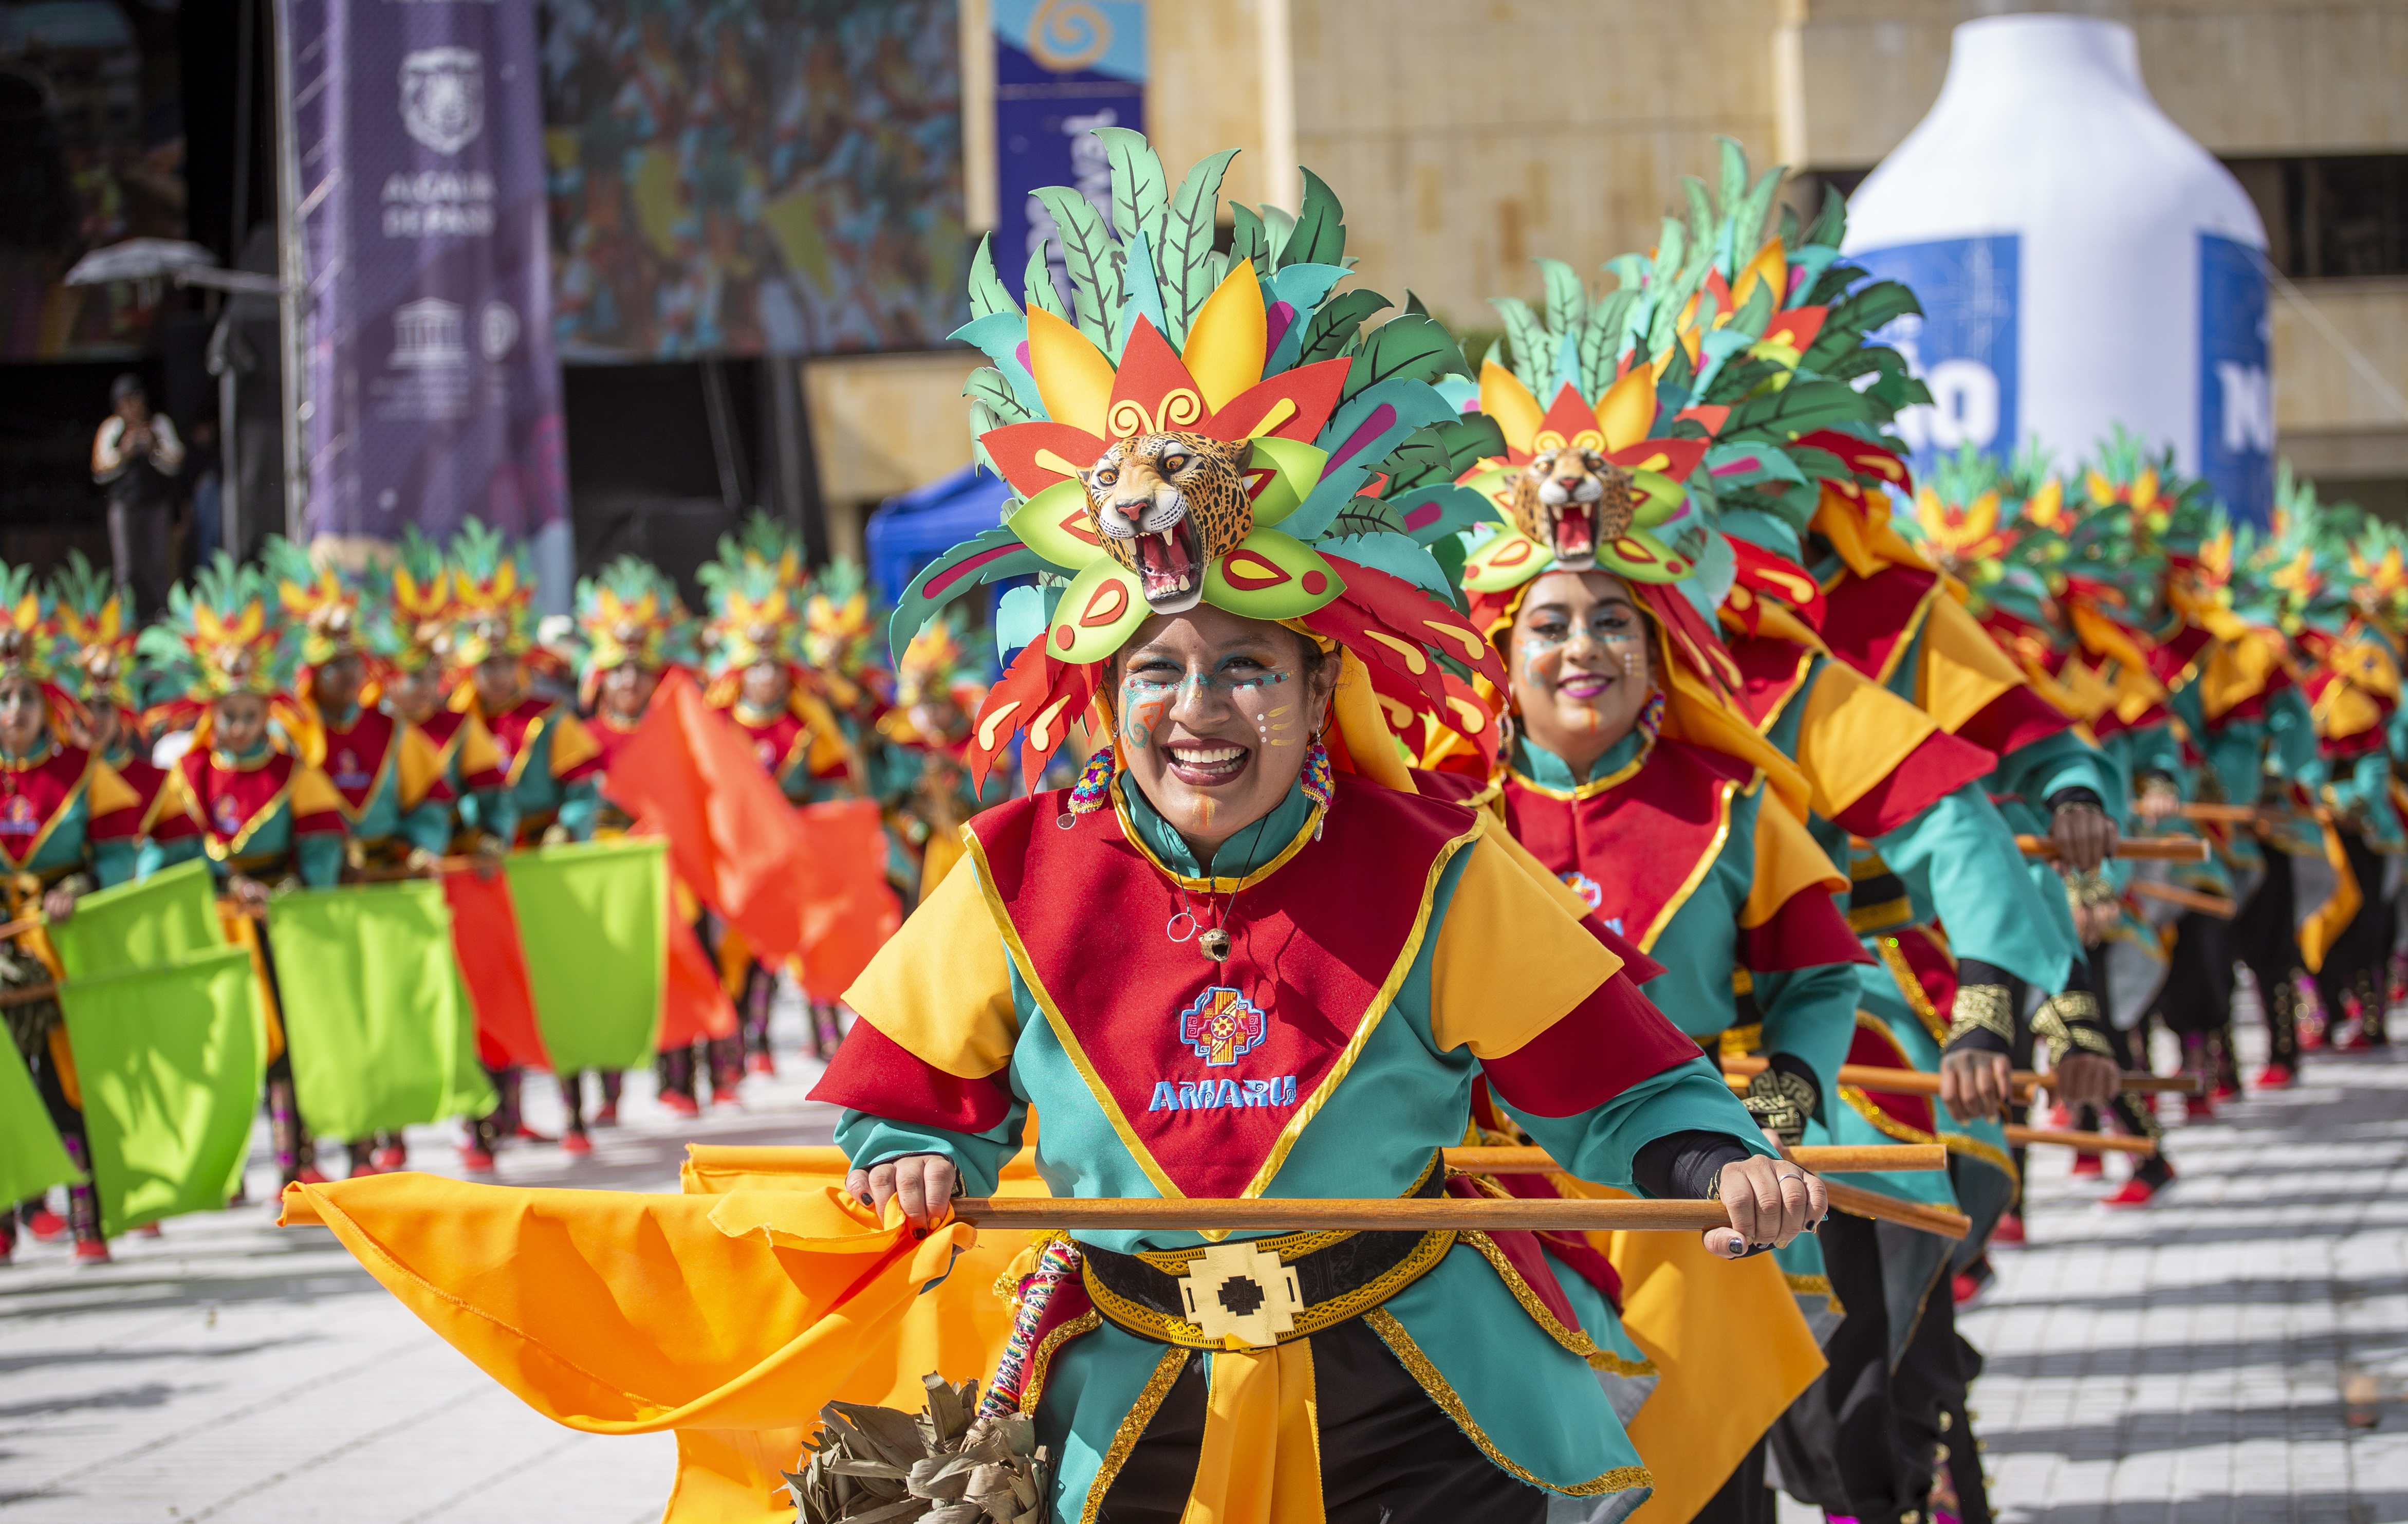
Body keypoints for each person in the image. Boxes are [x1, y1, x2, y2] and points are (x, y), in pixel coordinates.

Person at [818, 139, 1830, 1520]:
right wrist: (910, 1156)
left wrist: (1718, 1160)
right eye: (1156, 672)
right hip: (1127, 1394)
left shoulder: (1432, 867)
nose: (1198, 708)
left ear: (1315, 691)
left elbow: (1617, 1087)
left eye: (1246, 668)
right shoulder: (1008, 871)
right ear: (1101, 698)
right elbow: (900, 1095)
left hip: (1411, 1389)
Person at [136, 555, 347, 1189]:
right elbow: (165, 855)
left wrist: (286, 891)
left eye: (250, 714)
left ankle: (296, 1163)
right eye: (227, 714)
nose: (238, 727)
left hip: (277, 925)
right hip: (213, 926)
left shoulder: (295, 773)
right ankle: (223, 1175)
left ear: (269, 713)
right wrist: (214, 886)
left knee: (287, 1042)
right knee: (218, 1049)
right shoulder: (187, 774)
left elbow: (321, 851)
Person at [266, 536, 457, 1175]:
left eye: (355, 664)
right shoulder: (289, 733)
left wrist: (423, 846)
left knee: (381, 1012)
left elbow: (430, 800)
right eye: (333, 666)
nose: (347, 677)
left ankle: (374, 1143)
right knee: (311, 1026)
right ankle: (300, 1157)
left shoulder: (390, 731)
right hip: (308, 900)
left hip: (378, 886)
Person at [0, 570, 145, 1266]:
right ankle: (6, 1221)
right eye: (3, 698)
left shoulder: (82, 770)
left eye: (27, 696)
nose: (15, 710)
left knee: (66, 1082)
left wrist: (81, 886)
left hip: (65, 945)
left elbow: (119, 856)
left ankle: (90, 1221)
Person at [446, 519, 605, 1150]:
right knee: (485, 995)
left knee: (556, 988)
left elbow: (585, 786)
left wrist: (567, 831)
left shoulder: (548, 716)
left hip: (540, 870)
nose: (498, 675)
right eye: (486, 664)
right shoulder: (453, 725)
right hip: (480, 876)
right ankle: (488, 1123)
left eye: (507, 661)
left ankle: (574, 1116)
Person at [698, 515, 861, 1064]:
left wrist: (816, 816)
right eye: (755, 664)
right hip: (741, 855)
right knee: (743, 949)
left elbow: (836, 781)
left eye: (774, 663)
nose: (765, 675)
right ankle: (747, 1043)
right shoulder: (718, 721)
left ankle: (827, 1037)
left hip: (797, 849)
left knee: (814, 938)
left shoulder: (806, 719)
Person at [568, 554, 711, 1111]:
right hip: (609, 870)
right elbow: (572, 804)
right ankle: (609, 1088)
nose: (629, 681)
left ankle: (681, 1081)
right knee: (610, 977)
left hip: (670, 869)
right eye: (618, 670)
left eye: (639, 671)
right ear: (598, 677)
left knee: (677, 970)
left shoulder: (675, 731)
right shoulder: (580, 737)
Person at [89, 374, 184, 620]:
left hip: (156, 504)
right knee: (126, 566)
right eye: (126, 402)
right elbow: (99, 469)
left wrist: (154, 448)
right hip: (124, 505)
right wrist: (124, 453)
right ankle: (123, 615)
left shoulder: (159, 424)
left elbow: (176, 462)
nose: (132, 407)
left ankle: (162, 614)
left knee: (158, 563)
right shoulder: (113, 429)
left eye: (136, 400)